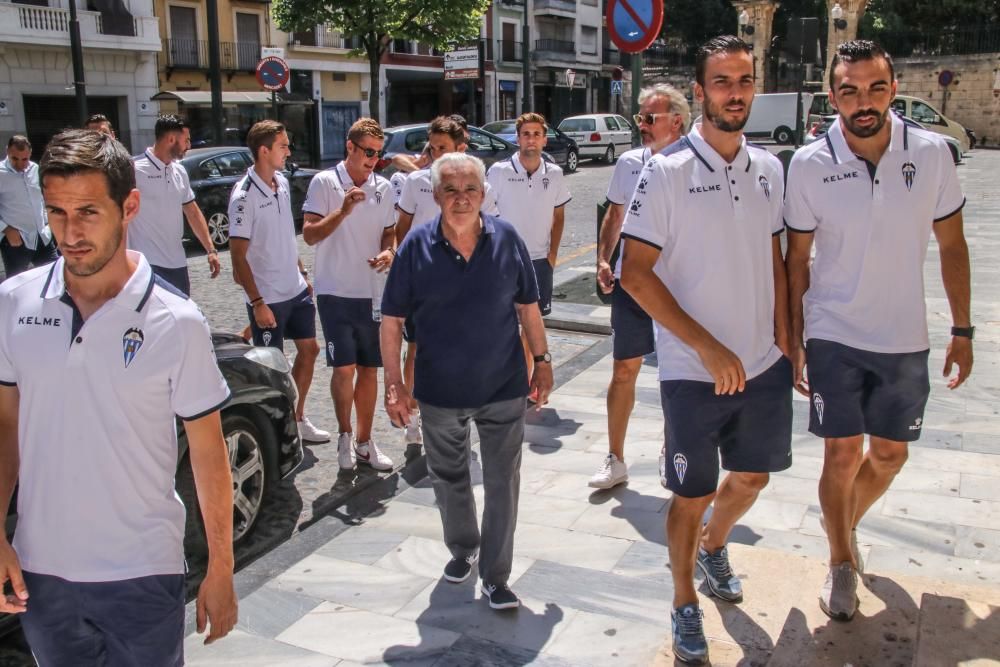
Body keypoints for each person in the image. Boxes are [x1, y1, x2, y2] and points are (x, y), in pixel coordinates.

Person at [0, 129, 236, 663]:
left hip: (142, 573)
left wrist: (220, 567)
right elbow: (5, 428)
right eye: (56, 212)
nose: (70, 231)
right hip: (43, 574)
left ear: (129, 205)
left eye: (87, 212)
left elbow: (208, 453)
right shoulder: (12, 303)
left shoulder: (177, 321)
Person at [784, 40, 972, 622]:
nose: (862, 101)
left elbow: (952, 244)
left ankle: (841, 520)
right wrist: (792, 338)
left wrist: (963, 328)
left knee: (889, 455)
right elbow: (796, 260)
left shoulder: (936, 154)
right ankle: (841, 562)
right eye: (848, 90)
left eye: (874, 88)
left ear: (893, 88)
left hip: (904, 334)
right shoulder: (810, 163)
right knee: (841, 454)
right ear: (833, 94)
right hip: (833, 328)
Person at [620, 36, 793, 665]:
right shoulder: (665, 172)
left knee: (753, 475)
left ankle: (715, 546)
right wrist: (709, 347)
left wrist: (786, 340)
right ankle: (684, 600)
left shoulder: (771, 168)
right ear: (700, 91)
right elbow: (635, 271)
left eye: (744, 80)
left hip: (764, 364)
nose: (735, 92)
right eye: (722, 81)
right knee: (689, 494)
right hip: (695, 371)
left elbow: (775, 262)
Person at [381, 152, 553, 611]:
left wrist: (543, 359)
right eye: (451, 190)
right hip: (439, 392)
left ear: (484, 194)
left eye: (470, 189)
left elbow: (527, 308)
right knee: (450, 477)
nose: (461, 199)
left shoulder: (508, 238)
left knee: (502, 481)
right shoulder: (415, 246)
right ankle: (463, 549)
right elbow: (392, 320)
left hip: (502, 386)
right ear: (436, 195)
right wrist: (395, 383)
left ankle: (497, 576)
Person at [592, 84, 689, 490]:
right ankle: (615, 458)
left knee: (678, 375)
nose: (643, 125)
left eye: (651, 118)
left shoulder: (693, 164)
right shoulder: (630, 162)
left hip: (678, 285)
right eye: (641, 118)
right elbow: (615, 214)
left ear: (677, 121)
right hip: (632, 281)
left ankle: (674, 452)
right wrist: (602, 257)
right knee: (624, 370)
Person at [394, 116, 498, 450]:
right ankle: (413, 418)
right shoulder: (416, 183)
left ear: (461, 149)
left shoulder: (482, 189)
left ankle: (461, 426)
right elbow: (403, 229)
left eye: (444, 148)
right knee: (416, 350)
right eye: (433, 147)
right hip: (424, 280)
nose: (436, 153)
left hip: (466, 281)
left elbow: (489, 233)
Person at [303, 118, 395, 472]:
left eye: (378, 154)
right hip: (334, 290)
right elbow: (310, 235)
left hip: (372, 292)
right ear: (350, 147)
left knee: (370, 370)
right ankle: (344, 436)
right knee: (344, 368)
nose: (373, 159)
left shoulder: (384, 188)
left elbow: (390, 234)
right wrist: (343, 210)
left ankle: (364, 441)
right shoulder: (325, 182)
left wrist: (390, 252)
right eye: (368, 152)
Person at [229, 120, 329, 444]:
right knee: (272, 369)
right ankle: (276, 430)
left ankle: (297, 418)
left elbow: (286, 233)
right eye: (283, 146)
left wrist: (300, 271)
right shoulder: (243, 196)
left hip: (294, 288)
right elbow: (238, 258)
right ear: (264, 150)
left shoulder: (282, 183)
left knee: (310, 350)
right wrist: (257, 304)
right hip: (268, 296)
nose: (289, 151)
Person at [487, 112, 571, 398]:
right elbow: (485, 214)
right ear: (518, 138)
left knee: (531, 326)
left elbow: (559, 217)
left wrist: (552, 256)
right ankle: (505, 383)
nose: (531, 139)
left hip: (539, 261)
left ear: (544, 139)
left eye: (536, 134)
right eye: (526, 134)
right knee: (503, 325)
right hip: (505, 261)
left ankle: (524, 385)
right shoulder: (499, 171)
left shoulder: (555, 173)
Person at [129, 114, 220, 296]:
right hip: (145, 265)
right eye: (186, 140)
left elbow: (192, 212)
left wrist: (210, 249)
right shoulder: (132, 169)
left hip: (177, 263)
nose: (189, 146)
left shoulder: (180, 170)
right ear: (171, 139)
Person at [0, 136, 57, 279]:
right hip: (16, 241)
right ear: (7, 151)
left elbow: (41, 198)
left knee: (56, 278)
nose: (20, 164)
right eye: (15, 159)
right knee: (17, 285)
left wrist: (47, 221)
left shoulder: (35, 169)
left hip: (43, 236)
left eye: (24, 159)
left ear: (30, 154)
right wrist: (6, 229)